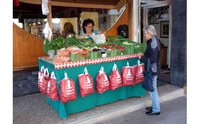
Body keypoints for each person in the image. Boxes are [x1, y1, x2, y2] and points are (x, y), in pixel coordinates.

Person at [140, 25, 161, 116]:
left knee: (153, 90)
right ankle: (154, 106)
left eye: (145, 33)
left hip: (153, 69)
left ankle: (156, 109)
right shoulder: (152, 41)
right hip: (151, 68)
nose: (144, 35)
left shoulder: (153, 43)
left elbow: (152, 59)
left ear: (149, 33)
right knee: (152, 89)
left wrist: (141, 57)